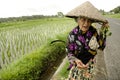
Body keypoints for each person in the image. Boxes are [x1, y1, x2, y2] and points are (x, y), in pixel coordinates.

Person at [65, 1, 111, 80]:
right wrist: (75, 60)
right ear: (77, 20)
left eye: (89, 20)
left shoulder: (94, 32)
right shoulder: (72, 35)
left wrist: (103, 31)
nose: (86, 24)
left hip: (90, 65)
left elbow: (101, 47)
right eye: (83, 20)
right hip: (77, 65)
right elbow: (69, 52)